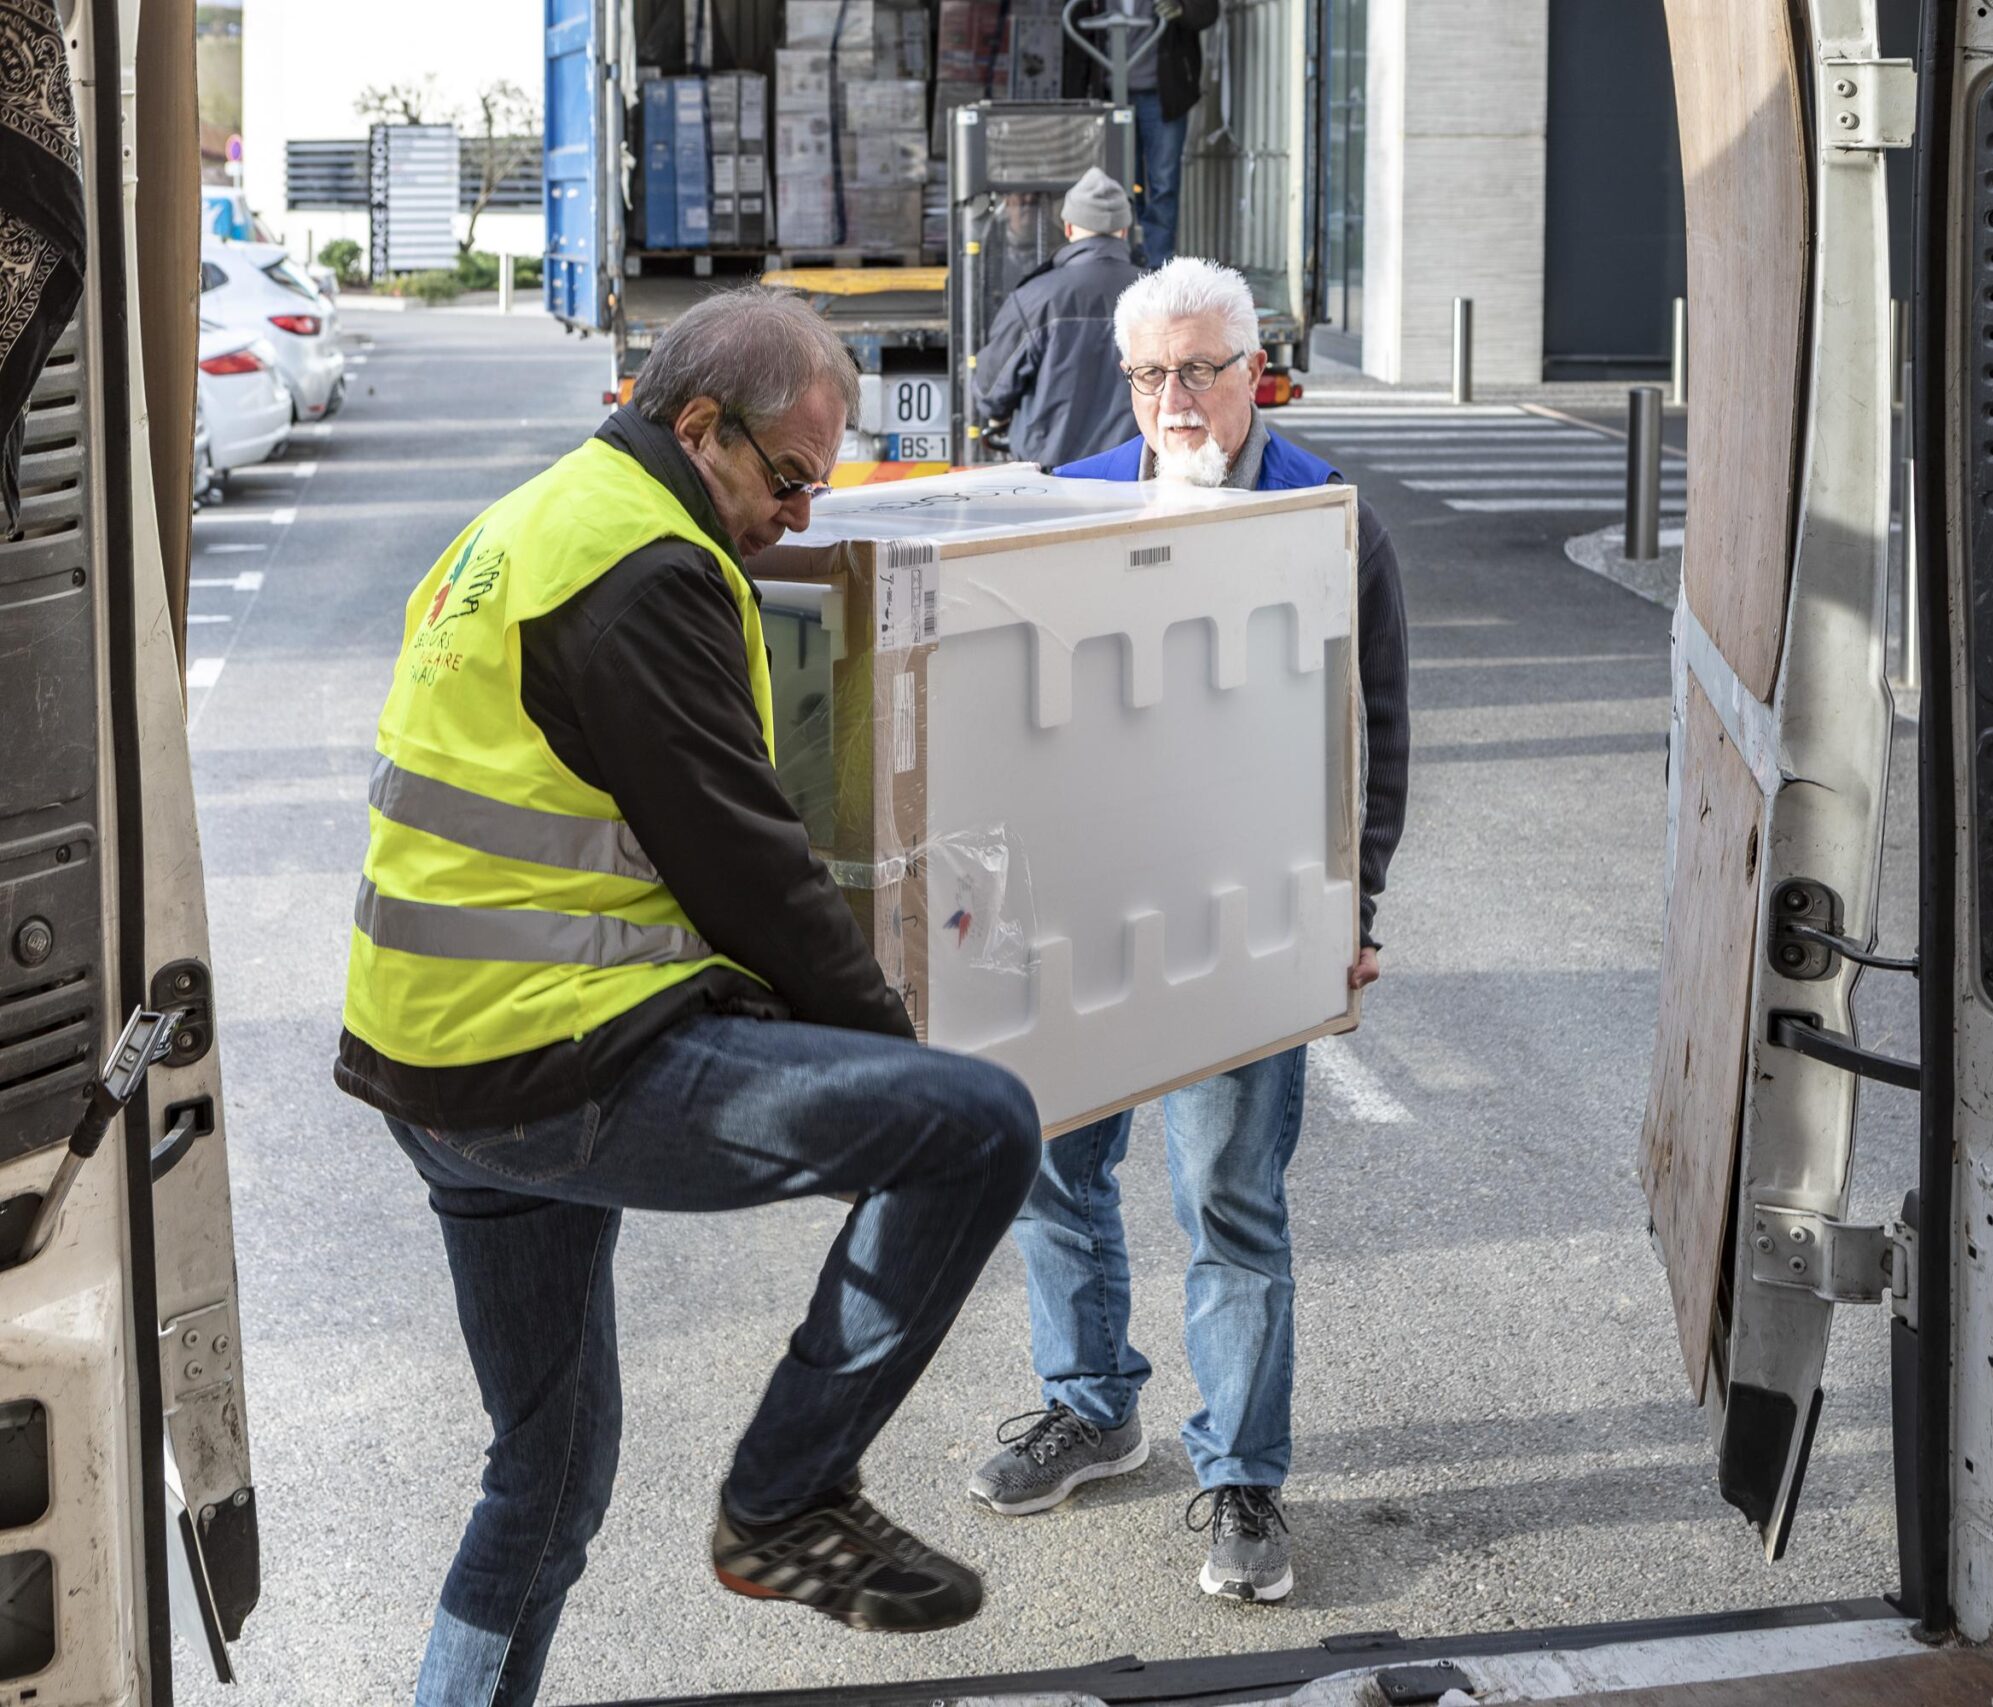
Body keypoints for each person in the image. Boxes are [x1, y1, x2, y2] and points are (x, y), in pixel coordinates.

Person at [335, 290, 1041, 1706]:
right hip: (552, 1064)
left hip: (435, 1064)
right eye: (788, 478)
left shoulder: (523, 527)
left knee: (544, 1475)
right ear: (698, 425)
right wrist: (888, 1054)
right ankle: (785, 1499)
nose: (798, 514)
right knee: (972, 1127)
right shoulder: (645, 568)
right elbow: (750, 871)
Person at [966, 257, 1409, 1604]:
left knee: (1227, 1195)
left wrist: (1356, 904)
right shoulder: (1073, 502)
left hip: (1242, 919)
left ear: (1255, 366)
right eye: (1153, 372)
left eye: (1204, 368)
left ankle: (1243, 1473)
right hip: (1076, 922)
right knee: (1054, 1171)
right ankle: (1094, 1406)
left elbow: (1375, 731)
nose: (1177, 397)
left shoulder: (1324, 517)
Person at [970, 167, 1148, 468]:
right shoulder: (1158, 294)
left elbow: (990, 393)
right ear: (1124, 230)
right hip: (1135, 476)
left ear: (1068, 228)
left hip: (1052, 483)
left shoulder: (1035, 299)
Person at [1063, 0, 1221, 264]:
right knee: (1121, 180)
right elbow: (1074, 36)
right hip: (1111, 95)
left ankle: (1157, 264)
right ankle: (1121, 261)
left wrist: (1181, 8)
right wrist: (1074, 102)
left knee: (1164, 182)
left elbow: (1205, 13)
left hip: (1163, 93)